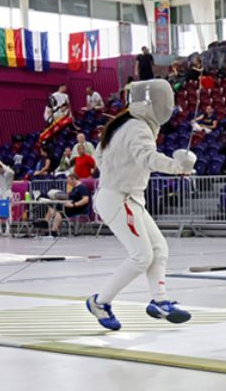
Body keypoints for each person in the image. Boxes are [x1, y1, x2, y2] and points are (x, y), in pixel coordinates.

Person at [86, 79, 190, 330]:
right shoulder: (137, 128)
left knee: (159, 248)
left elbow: (100, 156)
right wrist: (177, 167)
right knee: (142, 256)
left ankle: (160, 301)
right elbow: (147, 158)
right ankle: (100, 302)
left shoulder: (125, 124)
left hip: (125, 197)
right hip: (119, 198)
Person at [0, 160, 15, 236]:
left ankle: (8, 230)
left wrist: (2, 165)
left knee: (8, 211)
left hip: (7, 192)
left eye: (0, 168)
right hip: (0, 193)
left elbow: (12, 172)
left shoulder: (9, 173)